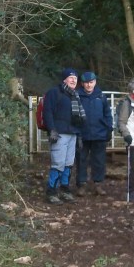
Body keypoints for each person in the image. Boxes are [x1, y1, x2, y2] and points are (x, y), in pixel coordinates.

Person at [43, 68, 85, 205]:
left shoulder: (75, 95)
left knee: (68, 164)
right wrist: (52, 130)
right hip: (59, 134)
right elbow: (47, 112)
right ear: (64, 79)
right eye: (71, 77)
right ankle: (51, 192)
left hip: (72, 133)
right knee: (58, 164)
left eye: (75, 78)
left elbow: (77, 118)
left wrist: (78, 135)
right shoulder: (54, 93)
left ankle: (65, 190)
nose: (74, 80)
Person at [75, 71, 113, 197]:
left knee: (99, 160)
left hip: (99, 134)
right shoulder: (76, 96)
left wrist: (109, 129)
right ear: (82, 84)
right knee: (81, 160)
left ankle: (98, 184)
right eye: (86, 83)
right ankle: (82, 184)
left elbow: (107, 114)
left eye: (91, 82)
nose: (89, 85)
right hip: (82, 134)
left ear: (95, 82)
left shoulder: (101, 96)